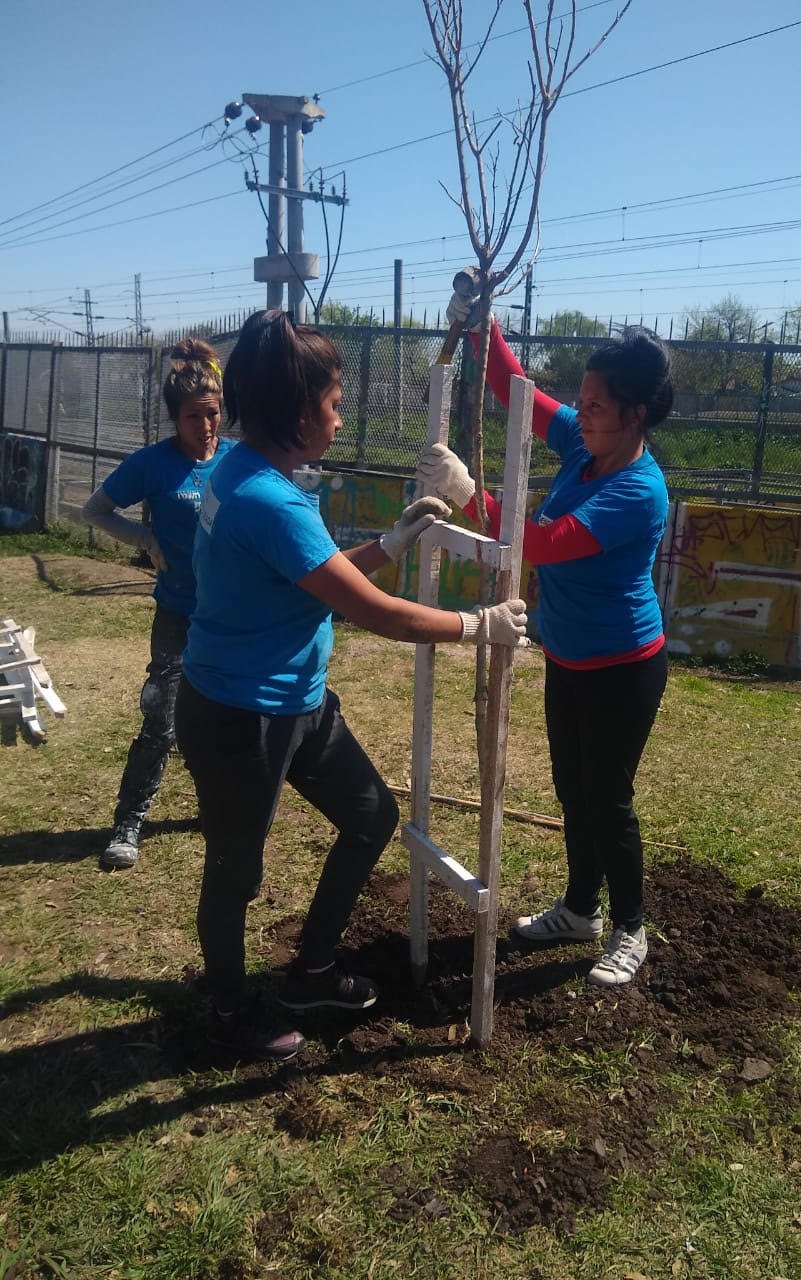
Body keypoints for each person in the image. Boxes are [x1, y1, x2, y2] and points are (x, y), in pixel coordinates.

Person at [174, 309, 527, 1062]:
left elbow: (313, 578)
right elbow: (378, 615)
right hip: (242, 715)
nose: (339, 422)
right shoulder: (264, 499)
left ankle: (311, 970)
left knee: (370, 818)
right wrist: (478, 625)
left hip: (297, 702)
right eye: (334, 405)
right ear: (299, 412)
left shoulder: (239, 469)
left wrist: (390, 541)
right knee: (236, 870)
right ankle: (231, 1008)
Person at [417, 289, 672, 989]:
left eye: (595, 405)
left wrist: (472, 494)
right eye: (582, 401)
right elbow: (516, 392)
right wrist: (481, 324)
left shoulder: (638, 490)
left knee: (607, 799)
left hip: (623, 666)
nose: (580, 413)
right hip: (568, 655)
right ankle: (579, 909)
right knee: (570, 788)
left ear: (635, 416)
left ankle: (629, 928)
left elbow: (543, 544)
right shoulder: (584, 447)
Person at [82, 339, 235, 871]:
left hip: (231, 619)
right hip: (177, 614)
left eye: (213, 414)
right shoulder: (152, 463)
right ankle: (129, 821)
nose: (206, 426)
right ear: (175, 417)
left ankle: (218, 810)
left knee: (225, 720)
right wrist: (144, 541)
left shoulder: (239, 461)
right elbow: (95, 510)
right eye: (194, 416)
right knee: (161, 721)